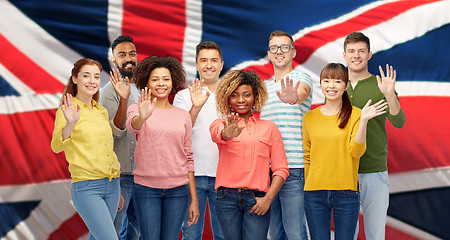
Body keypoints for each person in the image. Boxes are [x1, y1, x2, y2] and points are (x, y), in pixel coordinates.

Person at [302, 63, 388, 240]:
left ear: (346, 86)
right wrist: (308, 187)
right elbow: (308, 156)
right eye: (326, 80)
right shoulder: (309, 117)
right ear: (321, 84)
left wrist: (364, 120)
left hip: (346, 192)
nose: (331, 86)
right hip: (314, 193)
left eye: (337, 81)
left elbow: (356, 152)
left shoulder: (356, 114)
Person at [125, 56, 200, 239]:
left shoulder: (182, 115)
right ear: (147, 83)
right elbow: (132, 125)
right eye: (155, 79)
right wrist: (143, 116)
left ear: (173, 81)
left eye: (166, 79)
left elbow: (188, 157)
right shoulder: (137, 108)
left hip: (178, 190)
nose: (161, 83)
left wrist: (194, 200)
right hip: (146, 188)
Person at [210, 70, 290, 240]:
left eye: (247, 95)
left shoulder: (269, 128)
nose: (240, 100)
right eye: (235, 95)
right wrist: (227, 132)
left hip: (257, 199)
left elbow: (281, 169)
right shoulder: (220, 124)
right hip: (226, 199)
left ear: (255, 97)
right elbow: (218, 134)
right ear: (227, 98)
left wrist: (268, 199)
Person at [343, 32, 406, 240]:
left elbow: (399, 122)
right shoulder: (335, 86)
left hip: (374, 172)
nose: (356, 55)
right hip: (343, 172)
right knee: (346, 235)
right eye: (351, 51)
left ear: (369, 54)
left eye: (361, 51)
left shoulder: (380, 85)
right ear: (344, 55)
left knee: (375, 235)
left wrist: (389, 95)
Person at [51, 58, 122, 240]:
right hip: (87, 187)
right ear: (75, 78)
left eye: (96, 77)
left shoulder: (101, 111)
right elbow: (56, 146)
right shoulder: (67, 110)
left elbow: (107, 150)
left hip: (112, 185)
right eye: (86, 76)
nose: (92, 81)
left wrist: (116, 188)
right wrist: (70, 124)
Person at [260, 30, 312, 240]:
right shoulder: (263, 88)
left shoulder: (300, 77)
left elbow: (302, 92)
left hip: (293, 167)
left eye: (284, 47)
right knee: (275, 233)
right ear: (269, 53)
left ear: (293, 52)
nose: (279, 51)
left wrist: (293, 97)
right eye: (274, 48)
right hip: (268, 169)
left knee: (295, 232)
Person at [173, 41, 224, 240]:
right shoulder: (183, 96)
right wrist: (195, 106)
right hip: (191, 177)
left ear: (221, 64)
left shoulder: (232, 96)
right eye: (203, 60)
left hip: (225, 177)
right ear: (196, 64)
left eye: (213, 60)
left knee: (224, 235)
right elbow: (178, 132)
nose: (208, 65)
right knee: (191, 235)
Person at [99, 35, 139, 240]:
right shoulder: (109, 90)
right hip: (120, 174)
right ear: (114, 60)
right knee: (113, 230)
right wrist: (123, 100)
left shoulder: (147, 88)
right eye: (122, 55)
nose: (129, 58)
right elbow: (115, 131)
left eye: (132, 53)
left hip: (144, 175)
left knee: (137, 232)